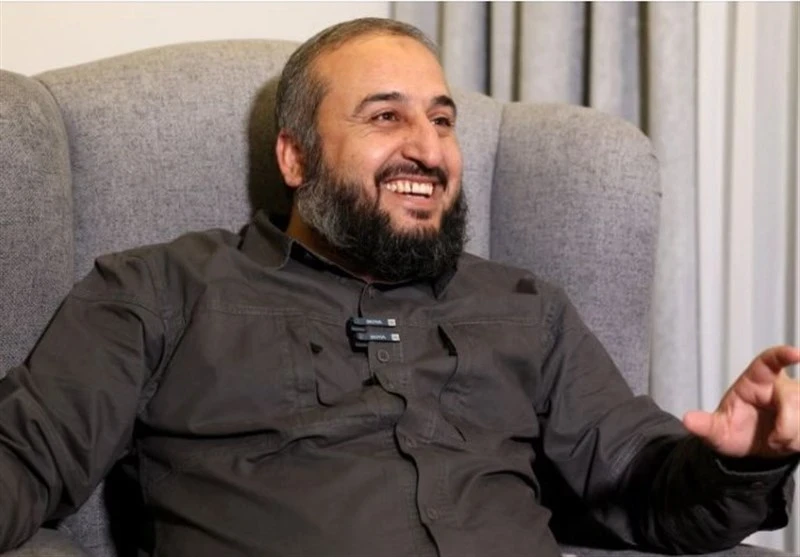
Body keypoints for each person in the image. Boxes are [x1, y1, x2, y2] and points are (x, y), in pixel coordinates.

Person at [1, 17, 798, 557]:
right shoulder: (159, 292)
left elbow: (650, 490)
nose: (429, 149)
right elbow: (21, 460)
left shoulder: (527, 310)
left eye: (442, 120)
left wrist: (741, 461)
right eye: (386, 118)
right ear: (295, 157)